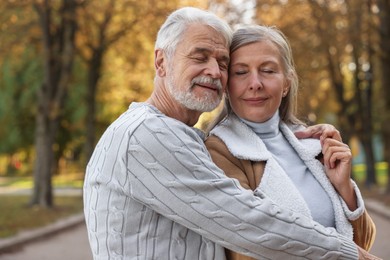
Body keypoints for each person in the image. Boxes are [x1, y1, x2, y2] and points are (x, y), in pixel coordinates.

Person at [83, 7, 375, 259]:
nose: (213, 71)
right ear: (161, 62)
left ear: (287, 82)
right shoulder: (146, 134)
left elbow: (357, 231)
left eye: (222, 63)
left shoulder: (184, 137)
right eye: (200, 57)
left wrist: (344, 187)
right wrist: (349, 254)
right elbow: (248, 223)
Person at [205, 25, 377, 259]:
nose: (255, 83)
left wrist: (345, 188)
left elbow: (363, 242)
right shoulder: (219, 151)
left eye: (267, 70)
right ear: (226, 85)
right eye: (241, 72)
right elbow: (249, 247)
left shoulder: (313, 147)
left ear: (286, 83)